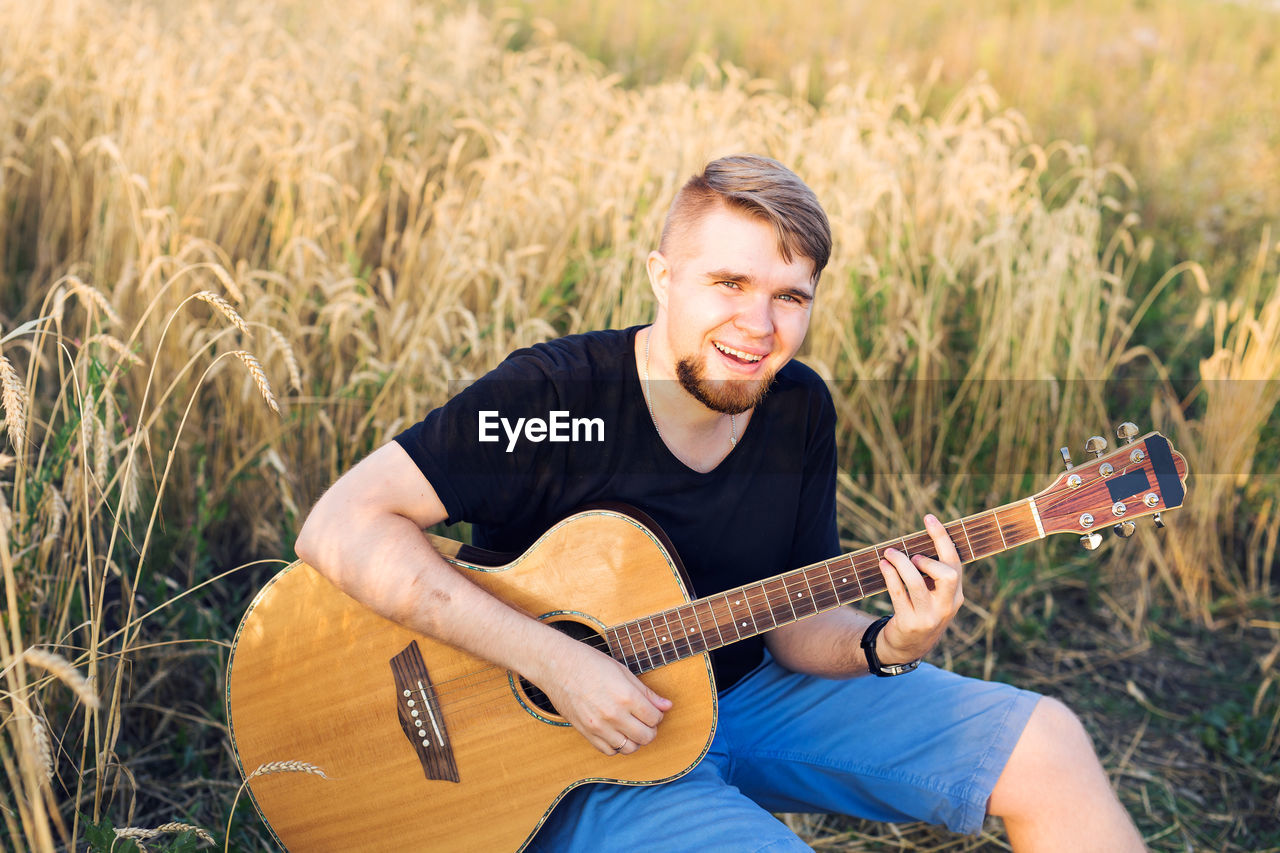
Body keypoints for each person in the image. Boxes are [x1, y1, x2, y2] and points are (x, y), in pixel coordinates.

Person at [294, 155, 1145, 851]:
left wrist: (892, 641)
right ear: (662, 275)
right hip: (555, 742)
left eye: (790, 296)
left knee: (1050, 746)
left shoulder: (796, 408)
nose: (758, 325)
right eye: (729, 282)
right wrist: (555, 660)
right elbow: (339, 524)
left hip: (743, 691)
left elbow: (797, 620)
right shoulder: (555, 400)